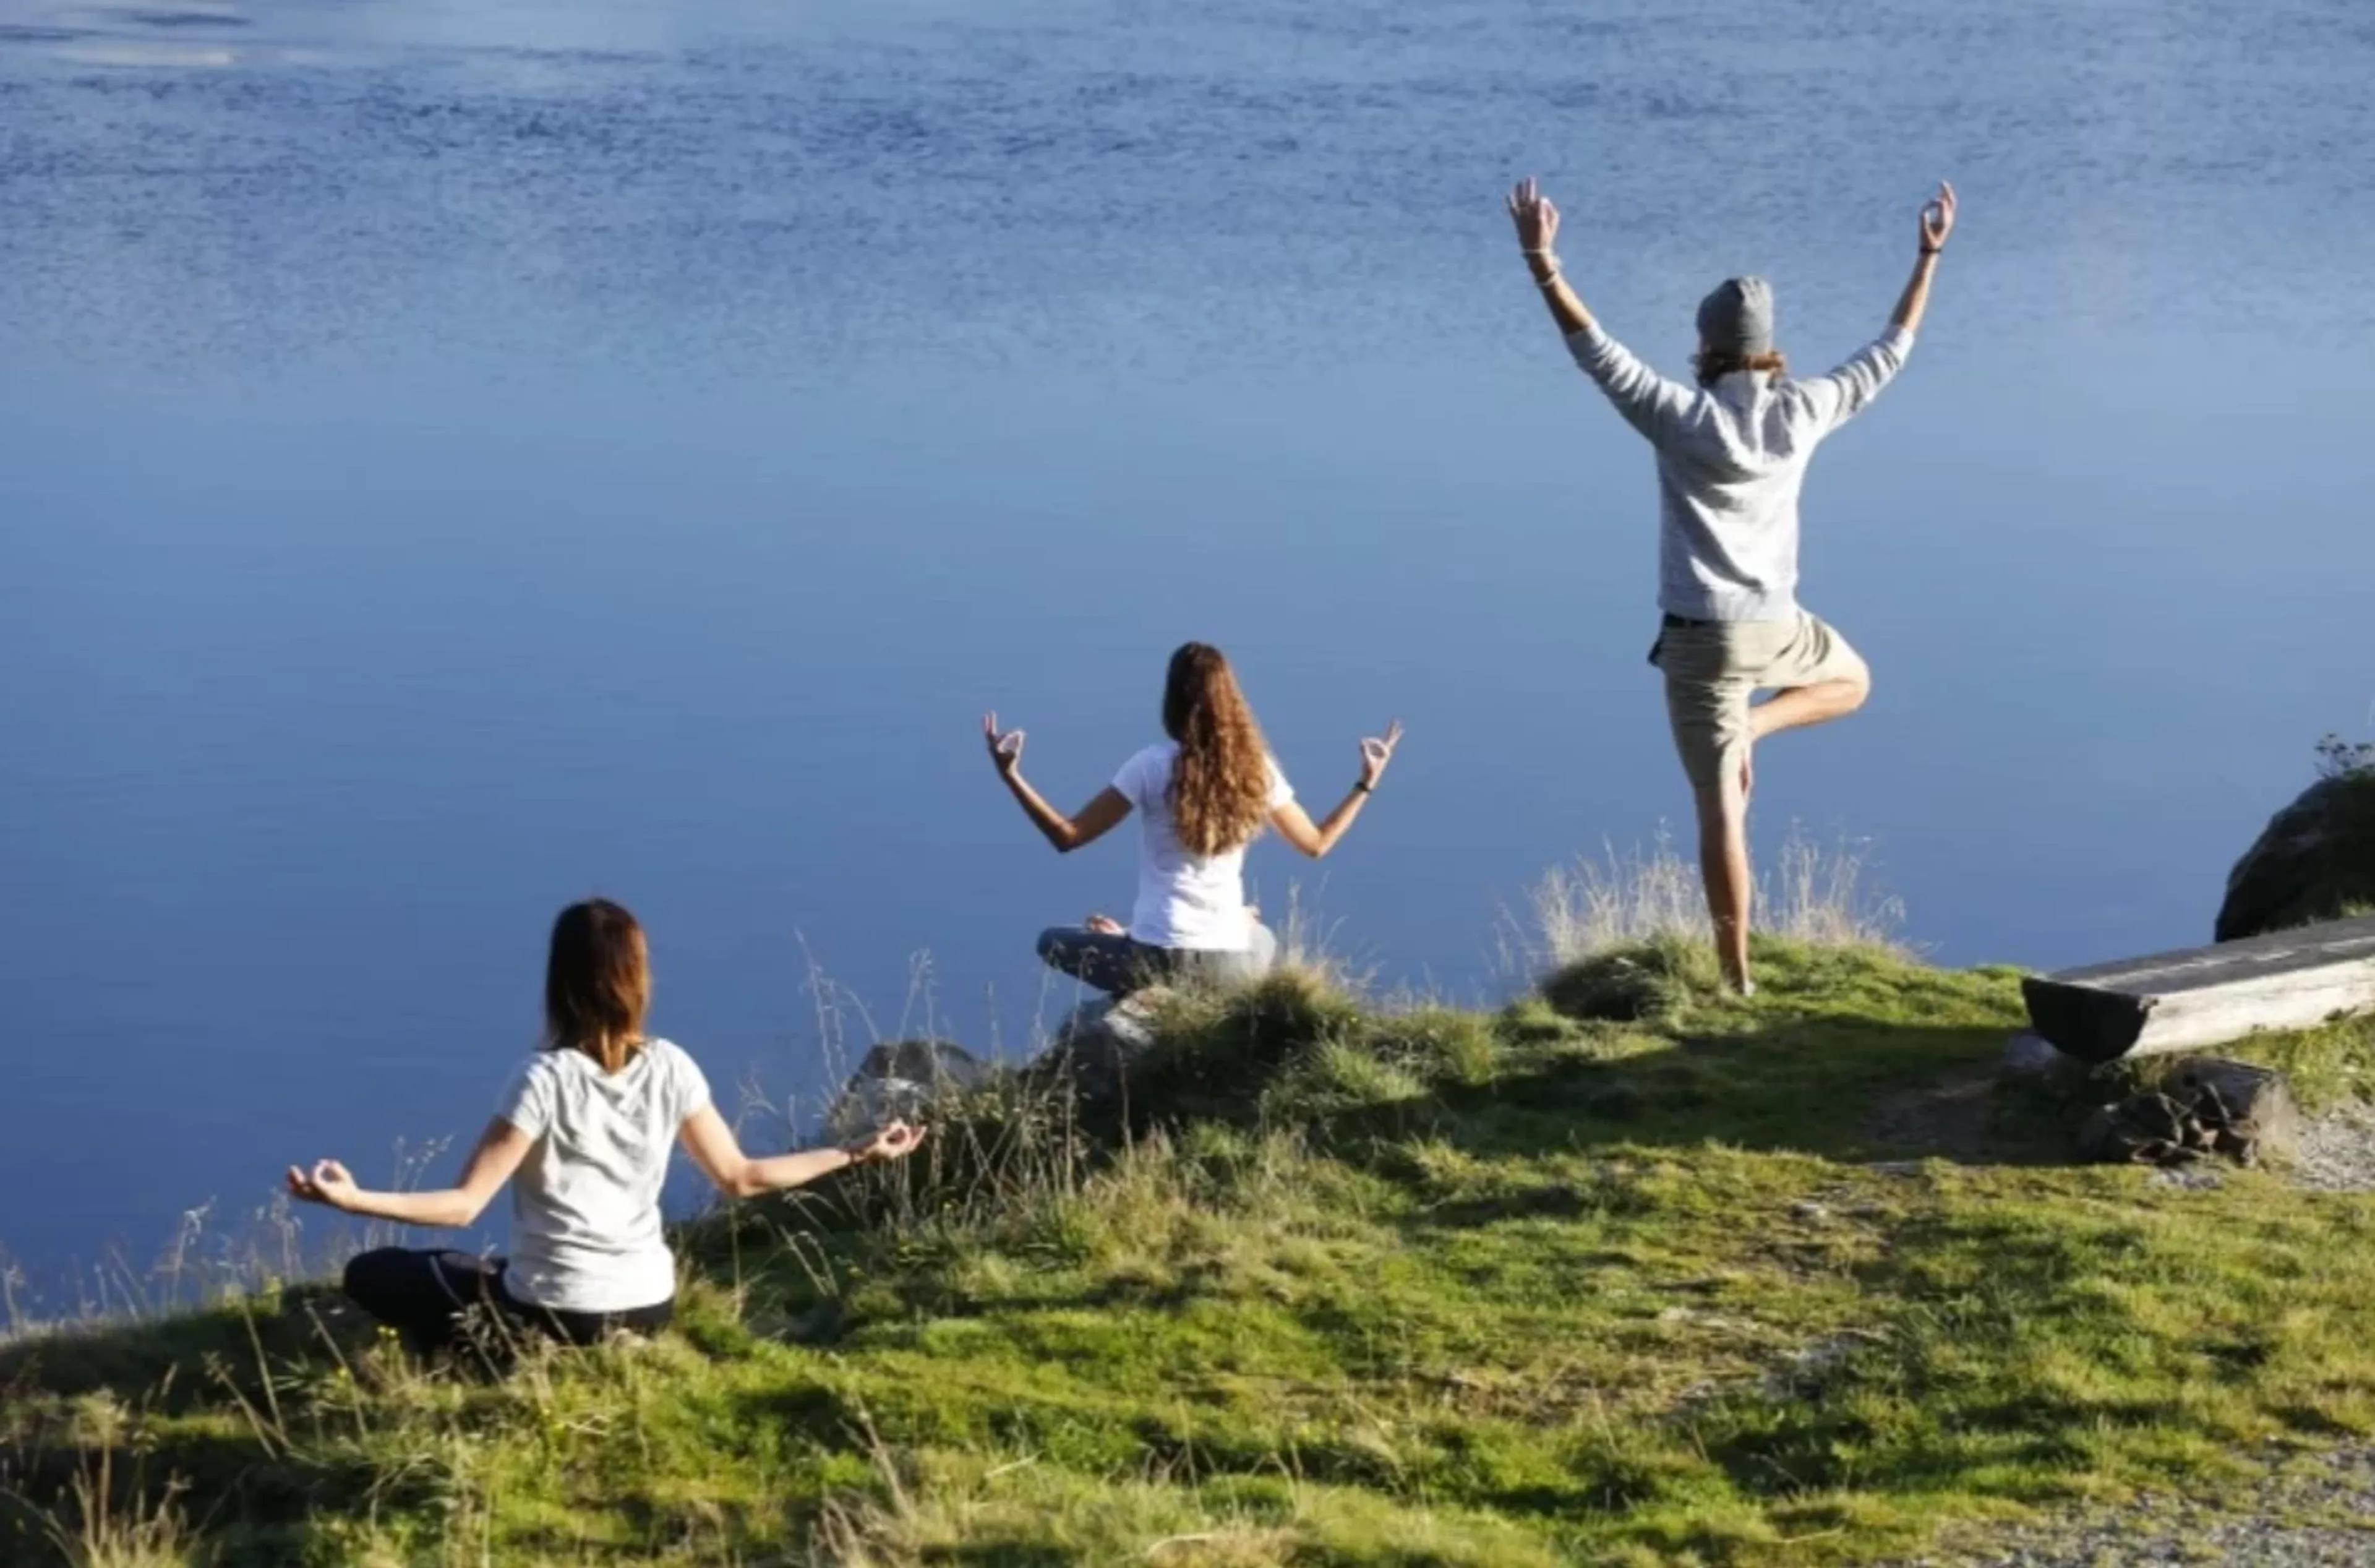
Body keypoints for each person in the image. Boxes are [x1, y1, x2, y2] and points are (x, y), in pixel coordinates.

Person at [1506, 176, 1957, 995]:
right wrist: (1926, 259)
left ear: (1707, 346)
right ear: (1769, 345)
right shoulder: (1805, 409)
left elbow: (1593, 347)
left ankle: (1737, 975)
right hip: (1777, 628)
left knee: (1721, 814)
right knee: (1852, 679)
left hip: (1698, 639)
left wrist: (1543, 263)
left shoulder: (1679, 416)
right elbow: (1889, 351)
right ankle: (1760, 725)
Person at [285, 898, 925, 1358]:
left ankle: (464, 1360)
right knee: (478, 1270)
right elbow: (743, 1177)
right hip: (649, 1307)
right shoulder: (672, 1066)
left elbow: (462, 1206)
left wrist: (353, 1199)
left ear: (559, 982)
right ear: (638, 979)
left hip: (553, 1310)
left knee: (376, 1272)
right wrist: (856, 1152)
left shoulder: (543, 1078)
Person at [985, 641, 1402, 996]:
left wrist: (1010, 776)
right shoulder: (1256, 769)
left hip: (1155, 962)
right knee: (1263, 938)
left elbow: (1067, 836)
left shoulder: (1150, 766)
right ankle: (1223, 927)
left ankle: (1133, 951)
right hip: (1231, 970)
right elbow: (1317, 844)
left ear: (1173, 700)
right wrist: (1366, 783)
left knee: (1051, 941)